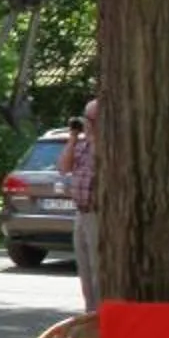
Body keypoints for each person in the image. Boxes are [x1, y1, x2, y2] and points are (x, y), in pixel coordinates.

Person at [58, 96, 101, 309]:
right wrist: (73, 137)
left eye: (90, 118)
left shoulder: (104, 145)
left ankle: (100, 315)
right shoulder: (82, 144)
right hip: (81, 212)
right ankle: (89, 311)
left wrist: (93, 135)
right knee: (83, 266)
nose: (86, 122)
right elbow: (64, 167)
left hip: (98, 213)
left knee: (97, 267)